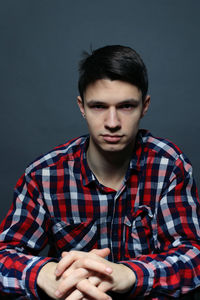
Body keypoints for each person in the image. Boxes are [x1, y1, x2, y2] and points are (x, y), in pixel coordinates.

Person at [0, 45, 200, 300]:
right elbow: (4, 254)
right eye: (98, 107)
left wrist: (128, 274)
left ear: (145, 106)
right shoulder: (44, 175)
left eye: (126, 106)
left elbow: (193, 257)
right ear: (81, 106)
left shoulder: (169, 167)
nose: (113, 122)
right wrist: (45, 274)